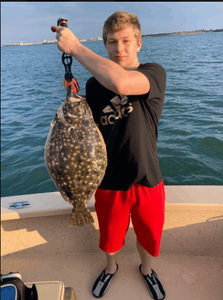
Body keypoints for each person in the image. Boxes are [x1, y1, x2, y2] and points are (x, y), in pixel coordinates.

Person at [55, 11, 166, 300]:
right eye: (112, 42)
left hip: (147, 177)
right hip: (108, 181)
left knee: (148, 236)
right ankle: (111, 267)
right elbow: (83, 128)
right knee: (110, 238)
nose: (119, 48)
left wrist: (76, 48)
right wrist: (73, 96)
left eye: (126, 41)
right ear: (104, 45)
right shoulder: (94, 85)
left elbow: (122, 84)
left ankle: (147, 270)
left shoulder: (153, 74)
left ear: (139, 42)